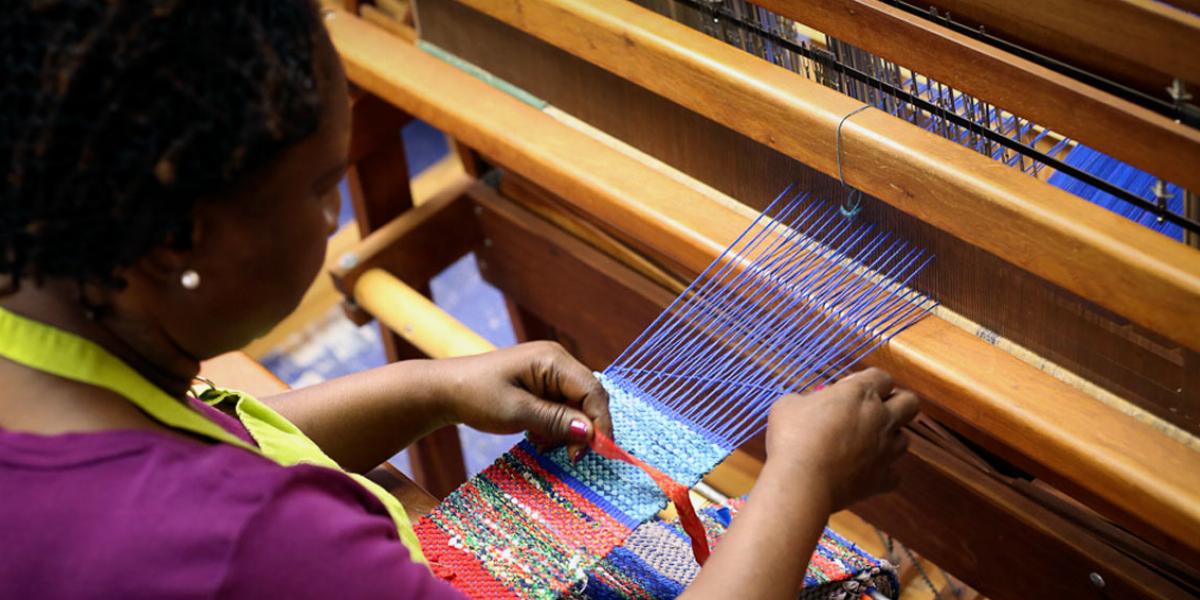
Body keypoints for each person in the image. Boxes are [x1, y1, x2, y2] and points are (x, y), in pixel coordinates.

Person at [0, 1, 919, 598]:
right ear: (173, 241)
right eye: (325, 188)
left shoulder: (38, 335)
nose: (335, 217)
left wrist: (432, 388)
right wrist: (803, 483)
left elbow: (222, 435)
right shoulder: (258, 550)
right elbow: (237, 517)